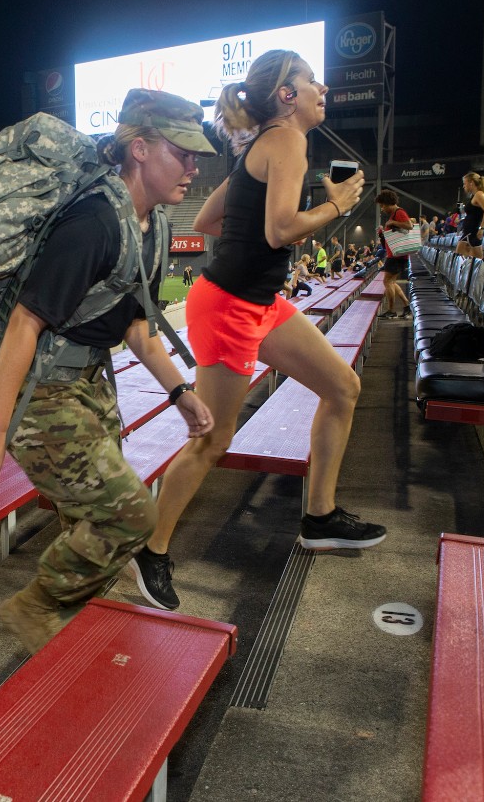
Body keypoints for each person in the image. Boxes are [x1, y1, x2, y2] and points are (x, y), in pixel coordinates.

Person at [130, 50, 385, 611]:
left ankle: (319, 517)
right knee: (215, 439)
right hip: (228, 308)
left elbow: (205, 222)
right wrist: (336, 205)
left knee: (342, 387)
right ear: (286, 95)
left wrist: (263, 225)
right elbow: (279, 230)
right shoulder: (287, 141)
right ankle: (152, 552)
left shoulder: (261, 146)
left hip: (256, 301)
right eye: (311, 81)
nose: (323, 89)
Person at [0, 89, 215, 652]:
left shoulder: (153, 226)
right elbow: (25, 323)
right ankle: (38, 606)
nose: (194, 167)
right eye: (184, 153)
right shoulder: (95, 221)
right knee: (129, 513)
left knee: (90, 511)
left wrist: (181, 393)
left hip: (90, 384)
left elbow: (138, 326)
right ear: (142, 149)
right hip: (43, 391)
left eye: (198, 156)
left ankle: (72, 627)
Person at [376, 190, 413, 319]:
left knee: (387, 282)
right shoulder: (394, 214)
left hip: (397, 256)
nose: (382, 208)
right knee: (391, 281)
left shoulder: (399, 212)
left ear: (388, 203)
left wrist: (393, 223)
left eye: (383, 205)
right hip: (395, 255)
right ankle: (407, 306)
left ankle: (391, 310)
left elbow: (409, 225)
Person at [456, 172, 484, 259]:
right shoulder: (475, 196)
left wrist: (482, 228)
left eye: (465, 183)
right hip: (469, 232)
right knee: (473, 262)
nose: (464, 186)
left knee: (460, 259)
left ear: (471, 183)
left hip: (472, 232)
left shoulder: (479, 195)